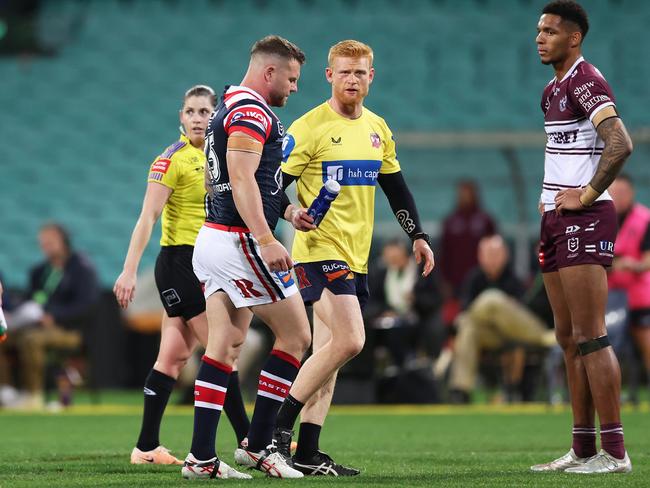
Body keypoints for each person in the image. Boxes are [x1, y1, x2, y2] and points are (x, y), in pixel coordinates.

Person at [272, 39, 435, 476]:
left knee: (329, 352)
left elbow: (395, 187)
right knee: (351, 341)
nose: (352, 79)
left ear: (371, 77)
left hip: (356, 257)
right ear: (329, 75)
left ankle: (306, 453)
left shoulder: (377, 129)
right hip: (316, 251)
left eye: (360, 72)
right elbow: (270, 187)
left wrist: (416, 235)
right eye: (344, 71)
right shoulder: (309, 128)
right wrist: (291, 212)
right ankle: (274, 436)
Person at [181, 35, 312, 480]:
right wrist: (267, 236)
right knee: (296, 336)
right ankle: (259, 446)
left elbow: (254, 178)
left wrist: (288, 210)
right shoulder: (253, 111)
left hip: (215, 237)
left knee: (225, 346)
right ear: (269, 72)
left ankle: (201, 458)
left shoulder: (229, 106)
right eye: (291, 79)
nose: (294, 88)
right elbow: (240, 178)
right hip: (240, 240)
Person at [113, 85, 251, 465]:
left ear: (215, 117)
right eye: (190, 111)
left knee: (172, 359)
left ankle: (145, 448)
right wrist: (128, 271)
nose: (196, 118)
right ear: (180, 116)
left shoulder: (220, 157)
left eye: (204, 112)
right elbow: (148, 218)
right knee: (223, 351)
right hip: (179, 266)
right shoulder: (171, 160)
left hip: (210, 263)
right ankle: (252, 442)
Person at [530, 1, 634, 474]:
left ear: (574, 38)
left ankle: (615, 453)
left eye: (551, 31)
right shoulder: (553, 90)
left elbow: (620, 142)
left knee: (591, 336)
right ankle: (583, 448)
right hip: (555, 218)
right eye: (539, 30)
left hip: (586, 218)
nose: (540, 37)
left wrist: (588, 193)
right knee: (568, 337)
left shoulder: (586, 81)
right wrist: (550, 195)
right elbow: (567, 150)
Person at [0, 223, 99, 409]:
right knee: (3, 336)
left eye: (50, 242)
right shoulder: (40, 271)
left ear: (64, 241)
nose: (46, 246)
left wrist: (55, 316)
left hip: (70, 330)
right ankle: (6, 392)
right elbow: (30, 299)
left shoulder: (82, 269)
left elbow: (87, 306)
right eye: (42, 243)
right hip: (36, 324)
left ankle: (33, 395)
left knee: (31, 339)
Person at [448, 236, 556, 403]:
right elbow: (464, 307)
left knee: (490, 300)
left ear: (505, 255)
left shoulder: (516, 276)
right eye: (488, 254)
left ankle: (542, 338)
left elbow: (526, 309)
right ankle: (460, 391)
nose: (492, 259)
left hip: (523, 331)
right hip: (494, 336)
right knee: (469, 329)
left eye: (495, 254)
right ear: (480, 256)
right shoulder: (474, 278)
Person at [367, 238, 443, 367]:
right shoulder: (381, 273)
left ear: (406, 255)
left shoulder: (422, 271)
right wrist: (384, 311)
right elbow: (373, 300)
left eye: (396, 258)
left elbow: (435, 299)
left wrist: (415, 299)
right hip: (390, 321)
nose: (393, 262)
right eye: (389, 258)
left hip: (418, 319)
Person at [608, 174, 650, 392]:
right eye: (614, 193)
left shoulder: (644, 219)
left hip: (637, 294)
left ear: (632, 193)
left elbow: (647, 258)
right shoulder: (600, 219)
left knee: (645, 336)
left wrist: (634, 265)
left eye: (623, 193)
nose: (619, 197)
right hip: (607, 294)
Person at [439, 180, 496, 297]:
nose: (465, 197)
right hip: (456, 279)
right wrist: (445, 281)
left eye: (468, 193)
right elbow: (444, 252)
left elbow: (496, 249)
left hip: (482, 278)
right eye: (462, 194)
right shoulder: (450, 221)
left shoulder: (485, 220)